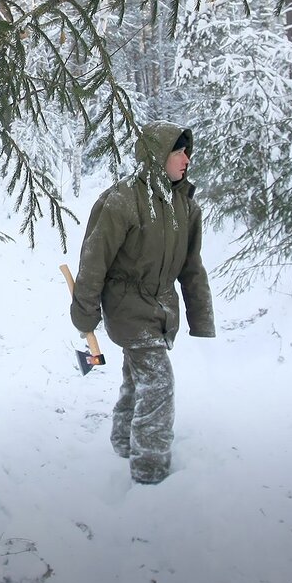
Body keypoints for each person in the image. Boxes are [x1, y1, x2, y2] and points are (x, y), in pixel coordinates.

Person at [70, 122, 216, 485]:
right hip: (126, 305)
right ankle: (149, 469)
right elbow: (94, 258)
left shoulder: (186, 204)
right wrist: (85, 310)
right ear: (157, 156)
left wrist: (201, 318)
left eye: (187, 151)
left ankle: (123, 441)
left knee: (139, 377)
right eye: (178, 152)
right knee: (158, 382)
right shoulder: (123, 199)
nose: (186, 159)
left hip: (161, 307)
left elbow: (192, 267)